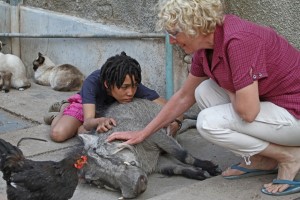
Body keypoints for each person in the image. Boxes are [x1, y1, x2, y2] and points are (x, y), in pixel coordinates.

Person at [107, 0, 300, 196]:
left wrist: (228, 85)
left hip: (294, 113)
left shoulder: (239, 41)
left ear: (195, 26)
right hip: (275, 109)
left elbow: (248, 112)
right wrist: (142, 133)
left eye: (175, 33)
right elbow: (184, 96)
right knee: (203, 91)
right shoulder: (205, 48)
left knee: (208, 122)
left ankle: (289, 157)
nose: (172, 40)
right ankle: (261, 159)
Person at [44, 51, 182, 142]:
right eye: (124, 87)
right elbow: (88, 121)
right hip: (88, 106)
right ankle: (64, 108)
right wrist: (99, 121)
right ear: (107, 84)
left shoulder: (132, 85)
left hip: (107, 111)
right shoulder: (91, 83)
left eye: (134, 86)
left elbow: (173, 106)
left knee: (82, 133)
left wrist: (177, 122)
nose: (131, 92)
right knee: (58, 134)